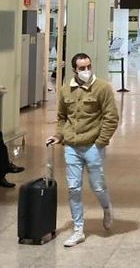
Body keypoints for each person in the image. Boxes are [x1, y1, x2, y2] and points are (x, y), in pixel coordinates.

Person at [46, 53, 120, 247]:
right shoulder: (64, 90)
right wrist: (59, 135)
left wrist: (101, 142)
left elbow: (111, 117)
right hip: (71, 146)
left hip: (93, 146)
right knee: (73, 188)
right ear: (74, 70)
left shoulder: (102, 88)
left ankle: (107, 207)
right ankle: (78, 229)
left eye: (88, 67)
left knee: (97, 185)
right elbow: (62, 117)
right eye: (82, 68)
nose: (86, 71)